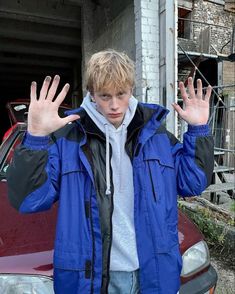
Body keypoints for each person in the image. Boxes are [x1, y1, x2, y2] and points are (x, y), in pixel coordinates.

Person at [7, 49, 214, 294]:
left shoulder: (156, 135)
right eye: (105, 96)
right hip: (94, 278)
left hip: (154, 274)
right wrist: (36, 139)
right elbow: (28, 199)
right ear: (92, 94)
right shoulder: (67, 139)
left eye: (121, 94)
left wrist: (199, 130)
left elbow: (193, 182)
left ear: (131, 90)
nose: (114, 105)